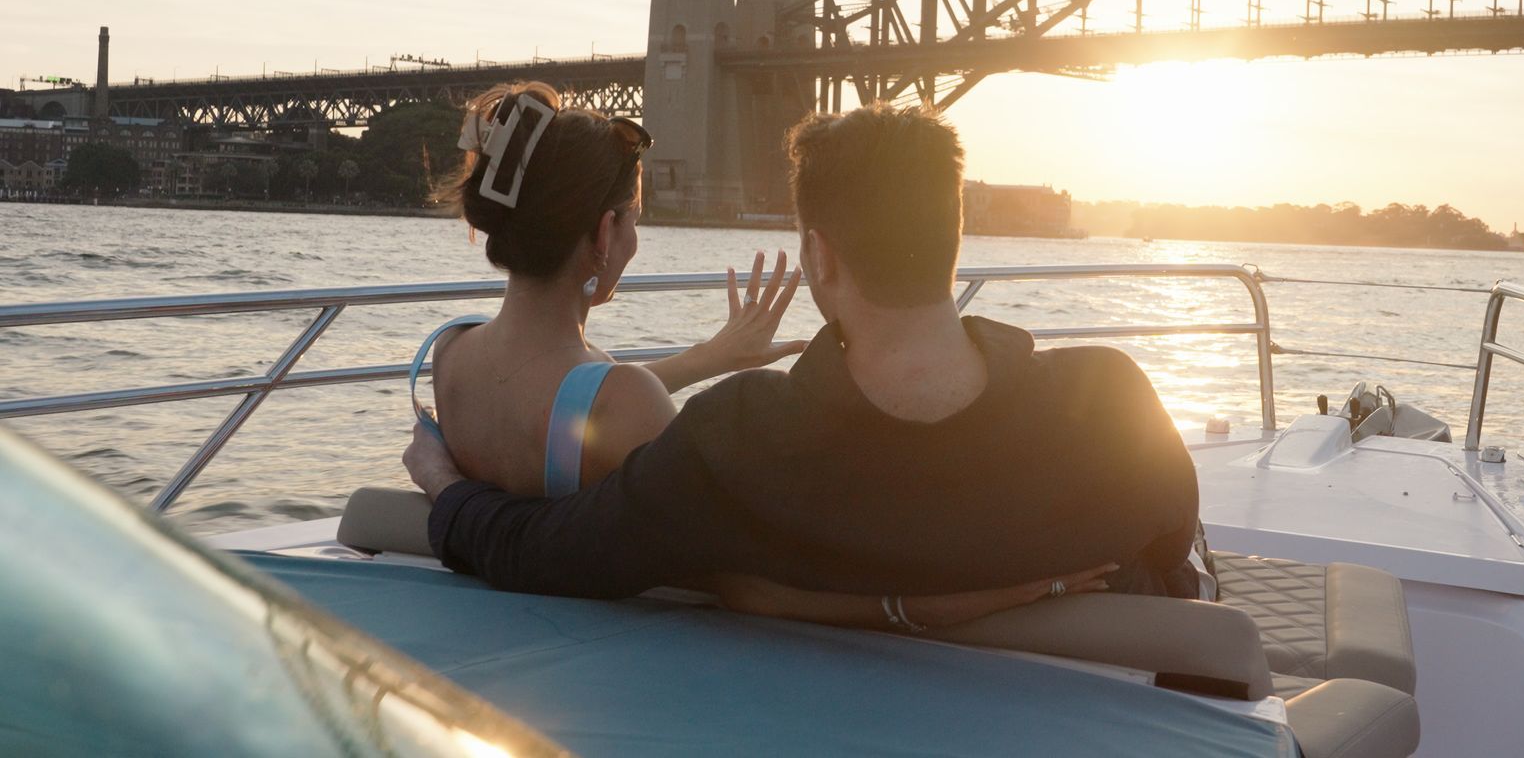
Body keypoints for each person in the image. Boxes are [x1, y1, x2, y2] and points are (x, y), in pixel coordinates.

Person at [406, 102, 1203, 617]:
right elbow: (1174, 557)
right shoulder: (1111, 399)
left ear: (817, 257)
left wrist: (445, 485)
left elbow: (549, 552)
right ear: (953, 236)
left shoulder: (737, 441)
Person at [415, 81, 805, 497]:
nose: (635, 241)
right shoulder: (626, 402)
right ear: (603, 234)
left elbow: (576, 403)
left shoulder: (451, 351)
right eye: (634, 220)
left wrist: (711, 356)